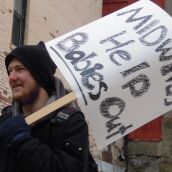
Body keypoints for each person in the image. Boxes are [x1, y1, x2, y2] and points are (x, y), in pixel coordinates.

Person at [0, 41, 98, 172]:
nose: (11, 77)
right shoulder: (6, 121)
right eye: (9, 71)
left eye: (20, 69)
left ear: (40, 76)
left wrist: (22, 141)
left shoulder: (71, 122)